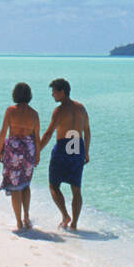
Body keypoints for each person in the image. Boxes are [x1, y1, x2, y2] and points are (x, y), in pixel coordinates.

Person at [39, 78, 90, 230]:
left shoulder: (59, 111)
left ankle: (65, 216)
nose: (52, 95)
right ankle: (74, 224)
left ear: (62, 92)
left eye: (54, 92)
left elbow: (48, 133)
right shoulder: (81, 108)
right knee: (76, 188)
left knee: (54, 185)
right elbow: (87, 131)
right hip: (77, 144)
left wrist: (36, 152)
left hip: (64, 145)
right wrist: (86, 152)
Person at [0, 82, 40, 231]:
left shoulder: (10, 111)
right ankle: (26, 217)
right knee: (26, 185)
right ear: (29, 96)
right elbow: (36, 137)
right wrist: (38, 156)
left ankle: (19, 222)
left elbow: (3, 132)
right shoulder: (34, 114)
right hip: (28, 150)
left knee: (15, 187)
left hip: (13, 150)